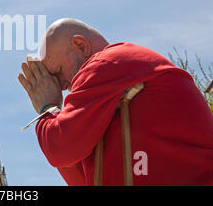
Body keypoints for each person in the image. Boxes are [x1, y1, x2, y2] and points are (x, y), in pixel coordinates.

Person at [17, 18, 213, 185]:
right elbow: (83, 178)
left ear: (81, 46)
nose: (62, 86)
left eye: (59, 72)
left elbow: (61, 148)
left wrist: (48, 109)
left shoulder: (107, 63)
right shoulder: (111, 90)